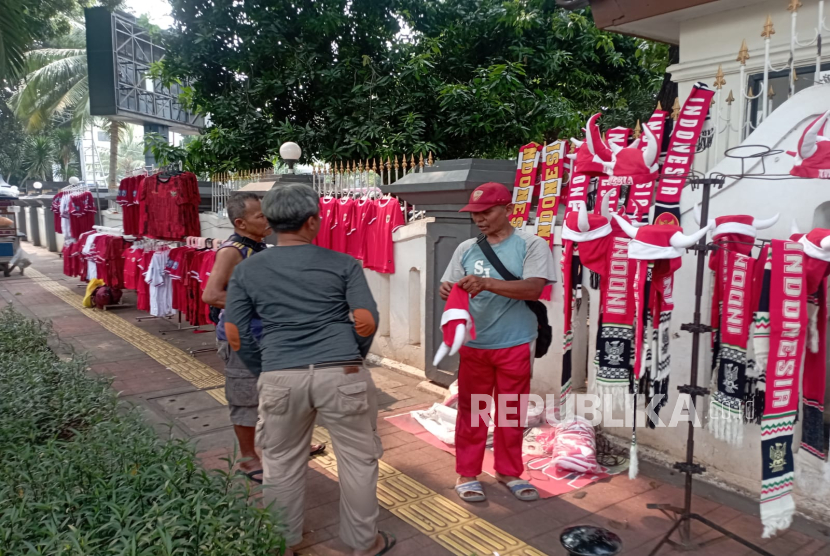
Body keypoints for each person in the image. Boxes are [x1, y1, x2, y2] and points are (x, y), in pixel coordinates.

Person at [224, 184, 394, 556]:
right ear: (314, 221)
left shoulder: (248, 269)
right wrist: (352, 356)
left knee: (281, 462)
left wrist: (263, 367)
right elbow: (367, 319)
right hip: (343, 374)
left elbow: (235, 331)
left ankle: (283, 542)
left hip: (281, 374)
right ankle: (364, 543)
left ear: (269, 222)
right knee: (358, 461)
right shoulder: (343, 264)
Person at [439, 182, 556, 504]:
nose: (480, 219)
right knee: (472, 412)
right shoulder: (466, 248)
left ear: (509, 210)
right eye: (475, 213)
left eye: (487, 211)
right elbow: (447, 285)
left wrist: (487, 283)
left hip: (515, 342)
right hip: (475, 344)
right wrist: (449, 291)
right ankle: (467, 473)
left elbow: (534, 289)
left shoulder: (532, 245)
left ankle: (508, 471)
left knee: (510, 412)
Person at [202, 192, 326, 485]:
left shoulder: (260, 247)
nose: (268, 219)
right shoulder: (232, 251)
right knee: (246, 400)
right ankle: (248, 460)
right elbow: (212, 294)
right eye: (261, 216)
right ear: (241, 223)